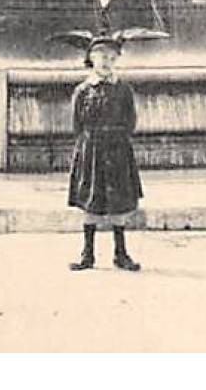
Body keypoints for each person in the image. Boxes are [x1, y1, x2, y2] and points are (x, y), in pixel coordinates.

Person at [66, 34, 143, 271]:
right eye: (101, 57)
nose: (106, 62)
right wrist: (89, 143)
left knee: (118, 204)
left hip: (118, 149)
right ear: (91, 59)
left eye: (111, 57)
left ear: (117, 59)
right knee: (90, 202)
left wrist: (117, 138)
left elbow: (131, 121)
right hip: (91, 150)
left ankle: (121, 254)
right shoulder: (82, 90)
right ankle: (87, 255)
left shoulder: (123, 90)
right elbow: (76, 124)